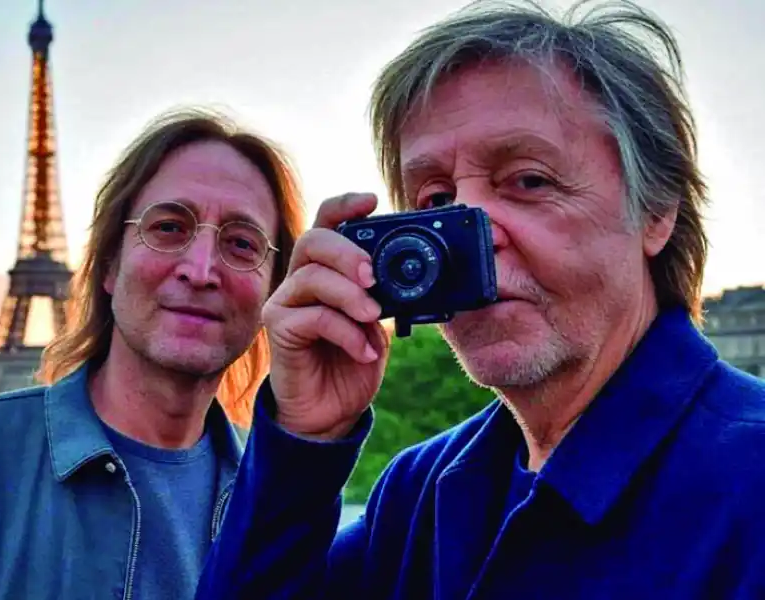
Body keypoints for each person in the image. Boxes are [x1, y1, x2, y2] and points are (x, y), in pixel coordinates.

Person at [195, 1, 765, 599]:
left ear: (657, 211)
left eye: (528, 180)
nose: (472, 239)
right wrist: (302, 444)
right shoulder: (419, 494)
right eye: (435, 199)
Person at [0, 107, 306, 600]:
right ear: (109, 265)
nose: (200, 270)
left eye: (243, 244)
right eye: (168, 228)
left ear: (273, 288)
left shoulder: (278, 505)